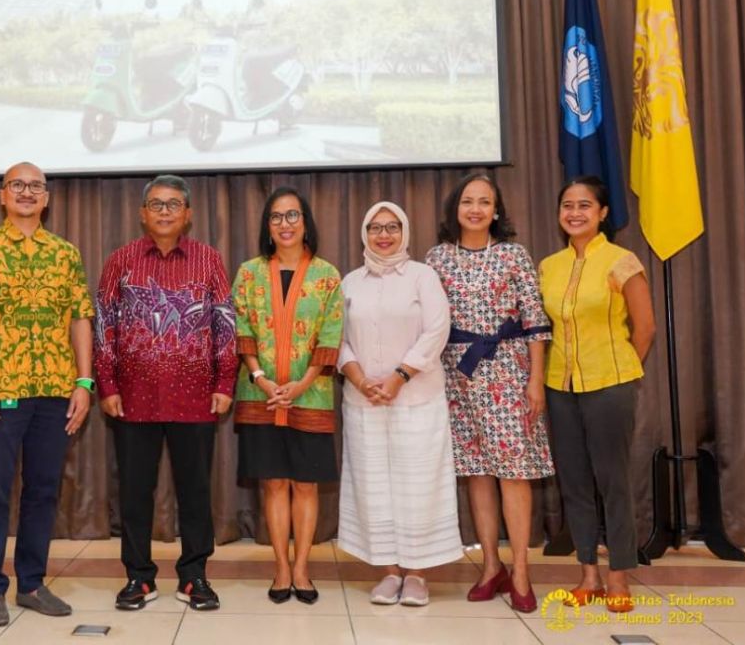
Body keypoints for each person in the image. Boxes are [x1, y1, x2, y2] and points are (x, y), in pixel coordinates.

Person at [0, 162, 95, 627]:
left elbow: (80, 318)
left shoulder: (65, 253)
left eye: (36, 186)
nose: (27, 193)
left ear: (47, 198)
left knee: (43, 491)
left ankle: (31, 583)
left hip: (55, 390)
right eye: (19, 185)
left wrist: (85, 382)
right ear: (3, 195)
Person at [95, 175, 236, 612]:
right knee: (136, 491)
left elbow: (225, 324)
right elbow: (104, 325)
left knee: (195, 491)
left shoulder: (209, 260)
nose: (164, 211)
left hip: (196, 398)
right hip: (133, 398)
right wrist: (108, 384)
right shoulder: (121, 260)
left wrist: (225, 382)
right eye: (156, 204)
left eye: (173, 204)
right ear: (142, 214)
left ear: (187, 214)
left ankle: (194, 576)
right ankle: (139, 577)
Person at [425, 172, 552, 614]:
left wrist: (535, 380)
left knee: (513, 473)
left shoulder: (514, 255)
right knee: (477, 473)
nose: (475, 209)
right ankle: (490, 566)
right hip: (457, 376)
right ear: (454, 210)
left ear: (496, 210)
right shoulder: (437, 258)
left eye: (484, 202)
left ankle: (520, 569)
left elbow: (536, 322)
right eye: (467, 202)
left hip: (508, 373)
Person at [336, 201, 462, 607]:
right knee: (374, 486)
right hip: (363, 401)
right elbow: (336, 337)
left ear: (404, 232)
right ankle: (388, 571)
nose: (384, 235)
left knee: (418, 485)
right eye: (375, 227)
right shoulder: (349, 282)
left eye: (392, 227)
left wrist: (397, 378)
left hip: (417, 400)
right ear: (364, 233)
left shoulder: (423, 277)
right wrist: (359, 378)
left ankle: (418, 574)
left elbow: (436, 330)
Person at [540, 176, 655, 614]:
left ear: (603, 213)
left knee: (614, 482)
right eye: (567, 205)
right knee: (574, 483)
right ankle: (587, 575)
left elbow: (644, 328)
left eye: (585, 205)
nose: (574, 212)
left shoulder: (622, 261)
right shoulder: (549, 266)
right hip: (559, 386)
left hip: (611, 385)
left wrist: (623, 372)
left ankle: (619, 577)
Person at [232, 186, 343, 605]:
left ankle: (302, 568)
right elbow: (241, 330)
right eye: (276, 217)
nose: (285, 224)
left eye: (292, 215)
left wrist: (300, 384)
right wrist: (261, 379)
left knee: (307, 486)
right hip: (259, 394)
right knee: (274, 484)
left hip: (309, 396)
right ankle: (281, 567)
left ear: (306, 221)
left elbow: (331, 335)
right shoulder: (248, 273)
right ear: (267, 225)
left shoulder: (327, 275)